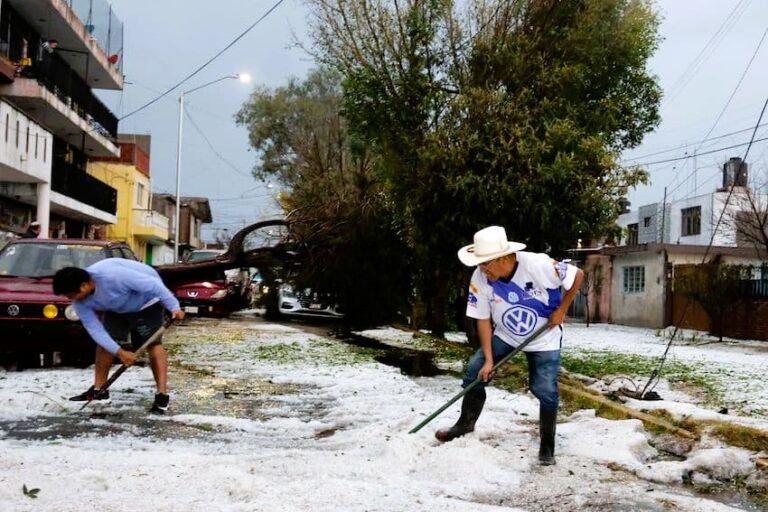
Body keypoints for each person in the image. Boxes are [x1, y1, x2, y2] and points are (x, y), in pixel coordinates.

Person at [435, 225, 583, 466]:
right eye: (479, 264)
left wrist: (562, 309)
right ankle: (464, 424)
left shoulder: (539, 265)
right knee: (475, 370)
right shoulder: (481, 277)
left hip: (544, 337)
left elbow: (577, 275)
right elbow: (482, 319)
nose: (482, 269)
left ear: (504, 257)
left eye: (486, 263)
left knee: (544, 388)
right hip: (506, 335)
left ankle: (547, 446)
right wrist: (489, 360)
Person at [52, 258, 185, 413]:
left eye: (70, 295)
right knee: (104, 344)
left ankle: (162, 395)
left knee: (153, 345)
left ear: (84, 286)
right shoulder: (79, 302)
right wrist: (120, 352)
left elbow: (154, 285)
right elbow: (95, 330)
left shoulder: (114, 276)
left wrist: (174, 307)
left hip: (146, 303)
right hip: (115, 308)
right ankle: (100, 390)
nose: (70, 299)